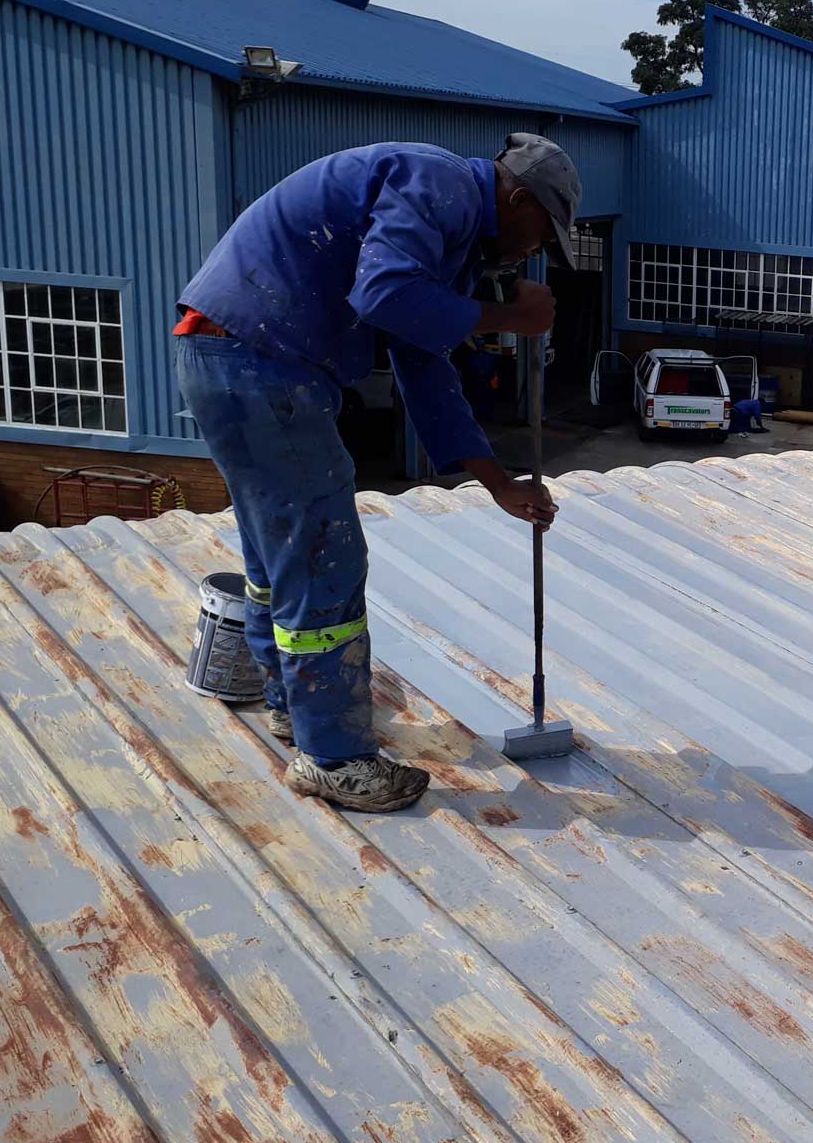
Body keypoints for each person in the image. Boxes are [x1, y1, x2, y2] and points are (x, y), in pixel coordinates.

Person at [174, 135, 580, 812]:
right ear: (517, 199)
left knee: (280, 557)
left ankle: (293, 708)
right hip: (260, 361)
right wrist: (510, 316)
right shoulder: (440, 187)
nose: (532, 253)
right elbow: (385, 297)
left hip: (232, 359)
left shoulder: (448, 233)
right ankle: (335, 759)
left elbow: (423, 361)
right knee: (323, 555)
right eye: (542, 233)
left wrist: (497, 482)